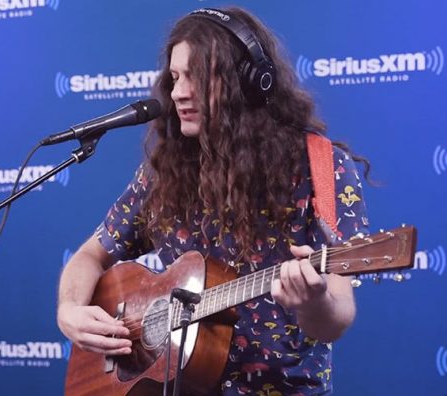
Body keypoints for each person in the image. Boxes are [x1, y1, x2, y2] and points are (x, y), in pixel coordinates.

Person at [57, 6, 369, 395]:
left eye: (197, 78)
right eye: (174, 78)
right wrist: (69, 311)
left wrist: (313, 300)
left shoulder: (321, 167)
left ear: (250, 83)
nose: (178, 93)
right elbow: (89, 256)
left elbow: (336, 319)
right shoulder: (164, 171)